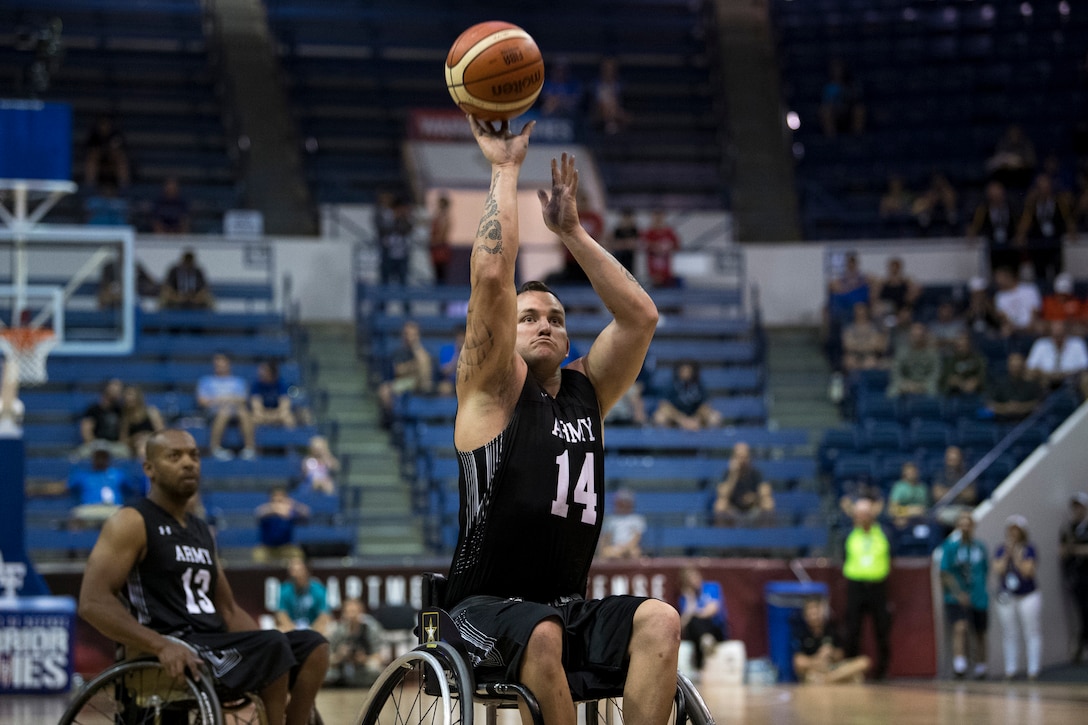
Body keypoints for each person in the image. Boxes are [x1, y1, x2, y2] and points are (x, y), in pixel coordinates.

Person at [443, 117, 676, 725]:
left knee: (660, 619)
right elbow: (492, 277)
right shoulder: (489, 389)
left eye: (554, 316)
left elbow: (640, 318)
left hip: (562, 608)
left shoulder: (586, 391)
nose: (543, 323)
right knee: (541, 631)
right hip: (477, 611)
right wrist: (505, 169)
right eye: (527, 317)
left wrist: (571, 231)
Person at [76, 429, 328, 725]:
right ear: (149, 469)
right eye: (175, 456)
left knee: (314, 645)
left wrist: (276, 647)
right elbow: (93, 602)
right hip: (167, 647)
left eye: (194, 456)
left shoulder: (201, 531)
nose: (188, 463)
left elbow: (229, 611)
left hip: (213, 644)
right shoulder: (132, 521)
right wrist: (159, 645)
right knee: (273, 648)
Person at [842, 496, 891, 680]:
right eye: (858, 514)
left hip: (878, 586)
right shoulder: (849, 534)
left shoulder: (883, 533)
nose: (862, 518)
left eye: (865, 514)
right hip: (856, 586)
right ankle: (851, 670)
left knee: (882, 629)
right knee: (853, 629)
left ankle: (882, 671)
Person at [940, 513, 990, 680]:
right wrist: (958, 593)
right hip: (956, 597)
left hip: (978, 596)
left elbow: (985, 570)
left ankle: (981, 666)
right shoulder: (950, 547)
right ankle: (959, 666)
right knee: (960, 627)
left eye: (968, 524)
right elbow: (945, 572)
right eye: (961, 524)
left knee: (980, 632)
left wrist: (978, 592)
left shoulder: (980, 548)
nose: (965, 528)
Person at [993, 515, 1042, 680]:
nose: (1013, 533)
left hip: (1028, 595)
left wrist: (1017, 557)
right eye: (1011, 529)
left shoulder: (1029, 549)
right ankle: (1010, 669)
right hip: (1008, 596)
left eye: (1017, 530)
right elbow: (998, 570)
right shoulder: (1002, 549)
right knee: (1009, 632)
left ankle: (1033, 669)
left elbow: (1028, 572)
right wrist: (1008, 554)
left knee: (1031, 631)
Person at [791, 597, 870, 684]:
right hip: (816, 668)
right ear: (806, 616)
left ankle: (829, 679)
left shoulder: (832, 628)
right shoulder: (802, 633)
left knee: (864, 662)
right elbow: (798, 661)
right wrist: (817, 658)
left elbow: (841, 655)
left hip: (834, 668)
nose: (815, 617)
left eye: (816, 613)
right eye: (811, 614)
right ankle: (840, 679)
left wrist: (831, 652)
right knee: (807, 671)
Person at [1014, 172, 1074, 283]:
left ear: (1050, 187)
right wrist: (1020, 234)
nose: (1044, 190)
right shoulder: (1033, 204)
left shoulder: (1059, 202)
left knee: (1057, 272)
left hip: (1054, 243)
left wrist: (1072, 232)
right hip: (1039, 244)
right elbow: (1026, 221)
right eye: (1041, 188)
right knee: (1040, 273)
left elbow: (1068, 219)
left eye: (1046, 187)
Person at [197, 353, 257, 460]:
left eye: (222, 363)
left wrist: (224, 399)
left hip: (236, 410)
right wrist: (224, 400)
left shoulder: (238, 381)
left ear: (228, 364)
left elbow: (243, 399)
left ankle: (250, 448)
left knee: (244, 411)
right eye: (217, 364)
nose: (219, 366)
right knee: (225, 410)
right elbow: (202, 401)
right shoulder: (206, 381)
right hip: (214, 412)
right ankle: (215, 448)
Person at [377, 320, 434, 425]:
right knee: (385, 390)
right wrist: (415, 367)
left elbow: (426, 368)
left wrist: (416, 348)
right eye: (408, 334)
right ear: (403, 335)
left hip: (421, 384)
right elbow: (399, 371)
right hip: (406, 383)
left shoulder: (422, 352)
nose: (410, 337)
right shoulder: (399, 352)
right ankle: (393, 423)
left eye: (413, 334)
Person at [326, 597, 387, 687]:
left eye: (354, 612)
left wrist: (364, 659)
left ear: (361, 613)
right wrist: (339, 656)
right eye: (348, 612)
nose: (351, 616)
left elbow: (380, 656)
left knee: (374, 671)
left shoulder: (371, 629)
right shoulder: (338, 631)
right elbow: (327, 658)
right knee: (327, 674)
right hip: (341, 667)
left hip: (364, 666)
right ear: (343, 614)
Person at [66, 444, 132, 528]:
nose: (101, 459)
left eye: (103, 456)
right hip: (90, 508)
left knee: (128, 517)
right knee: (75, 516)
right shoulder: (83, 475)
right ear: (93, 458)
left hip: (113, 508)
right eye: (98, 456)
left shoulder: (118, 474)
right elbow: (64, 488)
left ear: (108, 458)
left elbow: (132, 489)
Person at [677, 567, 728, 675]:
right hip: (696, 634)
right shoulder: (685, 598)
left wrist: (694, 613)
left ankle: (706, 641)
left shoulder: (712, 588)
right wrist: (690, 602)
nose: (693, 581)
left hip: (714, 629)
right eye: (689, 579)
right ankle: (705, 640)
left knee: (696, 620)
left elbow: (712, 610)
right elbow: (682, 624)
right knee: (694, 623)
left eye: (694, 577)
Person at [713, 441, 775, 525]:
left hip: (753, 510)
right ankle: (723, 537)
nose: (742, 461)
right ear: (733, 458)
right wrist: (733, 475)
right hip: (733, 511)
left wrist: (754, 498)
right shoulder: (728, 474)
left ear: (750, 458)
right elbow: (723, 494)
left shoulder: (756, 473)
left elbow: (765, 492)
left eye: (745, 457)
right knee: (720, 505)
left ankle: (765, 537)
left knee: (768, 503)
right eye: (739, 457)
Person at [652, 361, 722, 430]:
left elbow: (705, 405)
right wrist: (682, 420)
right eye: (683, 371)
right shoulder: (670, 384)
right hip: (675, 418)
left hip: (695, 417)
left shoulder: (699, 384)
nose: (685, 373)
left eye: (688, 371)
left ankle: (708, 440)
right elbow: (664, 405)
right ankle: (666, 440)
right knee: (659, 417)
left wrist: (696, 419)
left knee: (715, 417)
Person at [968, 180, 1019, 274]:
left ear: (1003, 193)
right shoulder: (983, 210)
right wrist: (971, 234)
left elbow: (1020, 225)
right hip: (992, 248)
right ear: (989, 196)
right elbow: (974, 226)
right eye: (993, 194)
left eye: (998, 193)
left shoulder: (1012, 208)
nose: (996, 197)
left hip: (1010, 247)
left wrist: (1019, 236)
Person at [1060, 492, 1088, 663]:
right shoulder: (1068, 528)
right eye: (1074, 507)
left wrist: (1075, 549)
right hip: (1076, 579)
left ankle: (1080, 645)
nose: (1076, 510)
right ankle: (1080, 646)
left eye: (1079, 506)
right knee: (1082, 613)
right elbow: (1062, 551)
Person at [1025, 319, 1088, 389]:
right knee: (1029, 376)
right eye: (1056, 336)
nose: (1058, 339)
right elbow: (1030, 367)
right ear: (1050, 334)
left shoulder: (1077, 343)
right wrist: (1046, 374)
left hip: (1072, 380)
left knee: (1085, 378)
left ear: (1066, 334)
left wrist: (1065, 374)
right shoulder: (1041, 344)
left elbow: (1084, 366)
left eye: (1061, 335)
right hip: (1045, 380)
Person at [253, 487, 310, 564]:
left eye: (281, 497)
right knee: (258, 555)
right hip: (267, 548)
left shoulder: (290, 512)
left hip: (287, 548)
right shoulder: (266, 510)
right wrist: (276, 509)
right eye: (275, 496)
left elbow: (306, 513)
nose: (278, 499)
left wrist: (294, 505)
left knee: (297, 555)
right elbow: (258, 513)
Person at [275, 557, 331, 633]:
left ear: (307, 571)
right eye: (293, 570)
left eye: (299, 570)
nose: (295, 574)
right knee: (278, 631)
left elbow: (324, 614)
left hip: (313, 628)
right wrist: (292, 629)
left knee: (327, 630)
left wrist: (312, 631)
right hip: (292, 628)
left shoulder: (318, 589)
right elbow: (281, 614)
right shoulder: (285, 589)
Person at [77, 378, 129, 459]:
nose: (119, 391)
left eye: (120, 389)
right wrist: (96, 444)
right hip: (95, 443)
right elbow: (86, 432)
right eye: (115, 388)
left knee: (125, 451)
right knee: (81, 453)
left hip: (114, 445)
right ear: (106, 389)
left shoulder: (120, 410)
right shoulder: (93, 410)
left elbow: (123, 432)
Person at [986, 352, 1045, 421]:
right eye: (1013, 366)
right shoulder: (999, 384)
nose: (1016, 369)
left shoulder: (1032, 385)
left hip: (1027, 422)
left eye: (1018, 366)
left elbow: (1038, 404)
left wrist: (1020, 407)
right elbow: (990, 404)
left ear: (1023, 366)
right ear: (1008, 366)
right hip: (1002, 421)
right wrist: (1006, 407)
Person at [887, 322, 940, 397]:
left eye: (919, 336)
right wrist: (906, 384)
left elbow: (935, 373)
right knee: (892, 392)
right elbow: (896, 372)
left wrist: (921, 386)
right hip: (906, 382)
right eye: (914, 336)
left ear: (924, 336)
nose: (917, 339)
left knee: (933, 391)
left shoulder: (932, 353)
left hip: (926, 383)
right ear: (909, 336)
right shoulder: (901, 352)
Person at [931, 446, 977, 528]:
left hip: (964, 509)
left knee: (970, 516)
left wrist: (948, 492)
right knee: (938, 516)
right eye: (951, 459)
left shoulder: (967, 474)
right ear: (946, 459)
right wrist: (959, 491)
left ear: (960, 459)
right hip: (947, 509)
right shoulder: (940, 474)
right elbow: (937, 495)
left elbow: (971, 495)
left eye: (955, 459)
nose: (953, 461)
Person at [818, 58, 865, 138]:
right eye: (835, 70)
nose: (838, 72)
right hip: (835, 112)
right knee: (825, 111)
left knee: (859, 109)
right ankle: (831, 138)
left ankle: (857, 138)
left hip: (848, 112)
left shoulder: (851, 86)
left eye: (839, 69)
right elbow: (826, 102)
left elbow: (855, 99)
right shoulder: (829, 87)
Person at [82, 114, 130, 190]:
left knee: (120, 157)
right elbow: (89, 151)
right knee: (92, 158)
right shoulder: (94, 136)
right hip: (99, 163)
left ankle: (124, 185)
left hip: (113, 162)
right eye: (102, 124)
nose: (104, 127)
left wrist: (111, 151)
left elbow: (122, 151)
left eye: (106, 124)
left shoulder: (116, 135)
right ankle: (90, 184)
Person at [841, 301, 889, 373]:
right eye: (858, 310)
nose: (860, 313)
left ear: (866, 311)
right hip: (853, 355)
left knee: (871, 362)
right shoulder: (849, 328)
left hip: (869, 356)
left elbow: (877, 345)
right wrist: (866, 345)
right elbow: (848, 345)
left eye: (862, 310)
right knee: (849, 361)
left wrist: (858, 345)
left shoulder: (873, 327)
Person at [598, 489, 646, 560]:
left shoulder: (637, 519)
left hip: (630, 549)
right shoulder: (610, 520)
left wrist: (625, 548)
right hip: (614, 548)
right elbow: (605, 538)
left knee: (634, 553)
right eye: (620, 502)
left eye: (626, 502)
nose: (623, 505)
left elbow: (637, 538)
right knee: (606, 553)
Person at [993, 266, 1041, 336]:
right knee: (1005, 330)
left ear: (1008, 277)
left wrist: (1031, 325)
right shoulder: (999, 296)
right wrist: (1015, 327)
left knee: (1040, 327)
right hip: (1013, 327)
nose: (997, 281)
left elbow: (1035, 311)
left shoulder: (1029, 289)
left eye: (999, 278)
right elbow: (1004, 317)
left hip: (1031, 324)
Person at [119, 384, 164, 458]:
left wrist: (148, 436)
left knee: (143, 447)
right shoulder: (126, 418)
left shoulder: (151, 412)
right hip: (134, 446)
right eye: (126, 396)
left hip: (151, 442)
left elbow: (162, 433)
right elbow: (123, 440)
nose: (128, 398)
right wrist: (134, 439)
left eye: (130, 395)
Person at [250, 360, 296, 429]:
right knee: (253, 419)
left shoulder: (281, 385)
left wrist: (275, 416)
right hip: (263, 414)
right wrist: (268, 416)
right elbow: (257, 409)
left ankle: (291, 438)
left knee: (288, 418)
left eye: (263, 371)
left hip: (278, 414)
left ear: (271, 373)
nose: (260, 373)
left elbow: (285, 407)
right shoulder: (256, 386)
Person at [642, 209, 681, 289]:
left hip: (667, 271)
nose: (658, 221)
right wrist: (654, 246)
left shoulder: (669, 233)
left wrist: (668, 247)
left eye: (660, 218)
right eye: (656, 218)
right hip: (653, 272)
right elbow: (643, 245)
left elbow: (677, 247)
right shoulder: (648, 233)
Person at [940, 332, 987, 397]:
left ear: (969, 345)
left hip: (976, 393)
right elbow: (947, 378)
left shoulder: (978, 358)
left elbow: (983, 374)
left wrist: (976, 380)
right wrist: (959, 382)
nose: (961, 348)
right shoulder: (950, 360)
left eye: (964, 345)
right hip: (955, 393)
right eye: (958, 347)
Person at [591, 56, 629, 134]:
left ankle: (611, 125)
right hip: (600, 110)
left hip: (616, 110)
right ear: (603, 70)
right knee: (608, 104)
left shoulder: (619, 84)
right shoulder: (596, 84)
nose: (609, 71)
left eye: (611, 69)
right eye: (607, 69)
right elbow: (597, 103)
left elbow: (619, 101)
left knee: (625, 116)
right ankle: (611, 124)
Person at [887, 461, 929, 532]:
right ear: (904, 473)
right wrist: (910, 511)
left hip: (920, 520)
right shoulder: (899, 487)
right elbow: (892, 509)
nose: (911, 473)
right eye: (909, 471)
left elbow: (926, 508)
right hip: (903, 519)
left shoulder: (922, 488)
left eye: (913, 471)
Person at [607, 207, 640, 275]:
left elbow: (635, 244)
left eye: (629, 218)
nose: (627, 220)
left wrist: (623, 244)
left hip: (630, 258)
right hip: (619, 258)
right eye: (625, 218)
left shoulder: (634, 230)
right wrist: (626, 244)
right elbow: (613, 245)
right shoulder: (617, 231)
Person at [436, 330, 464, 396]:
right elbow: (444, 371)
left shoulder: (473, 352)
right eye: (460, 338)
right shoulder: (447, 350)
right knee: (444, 388)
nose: (461, 340)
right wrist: (458, 356)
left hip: (466, 383)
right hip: (450, 382)